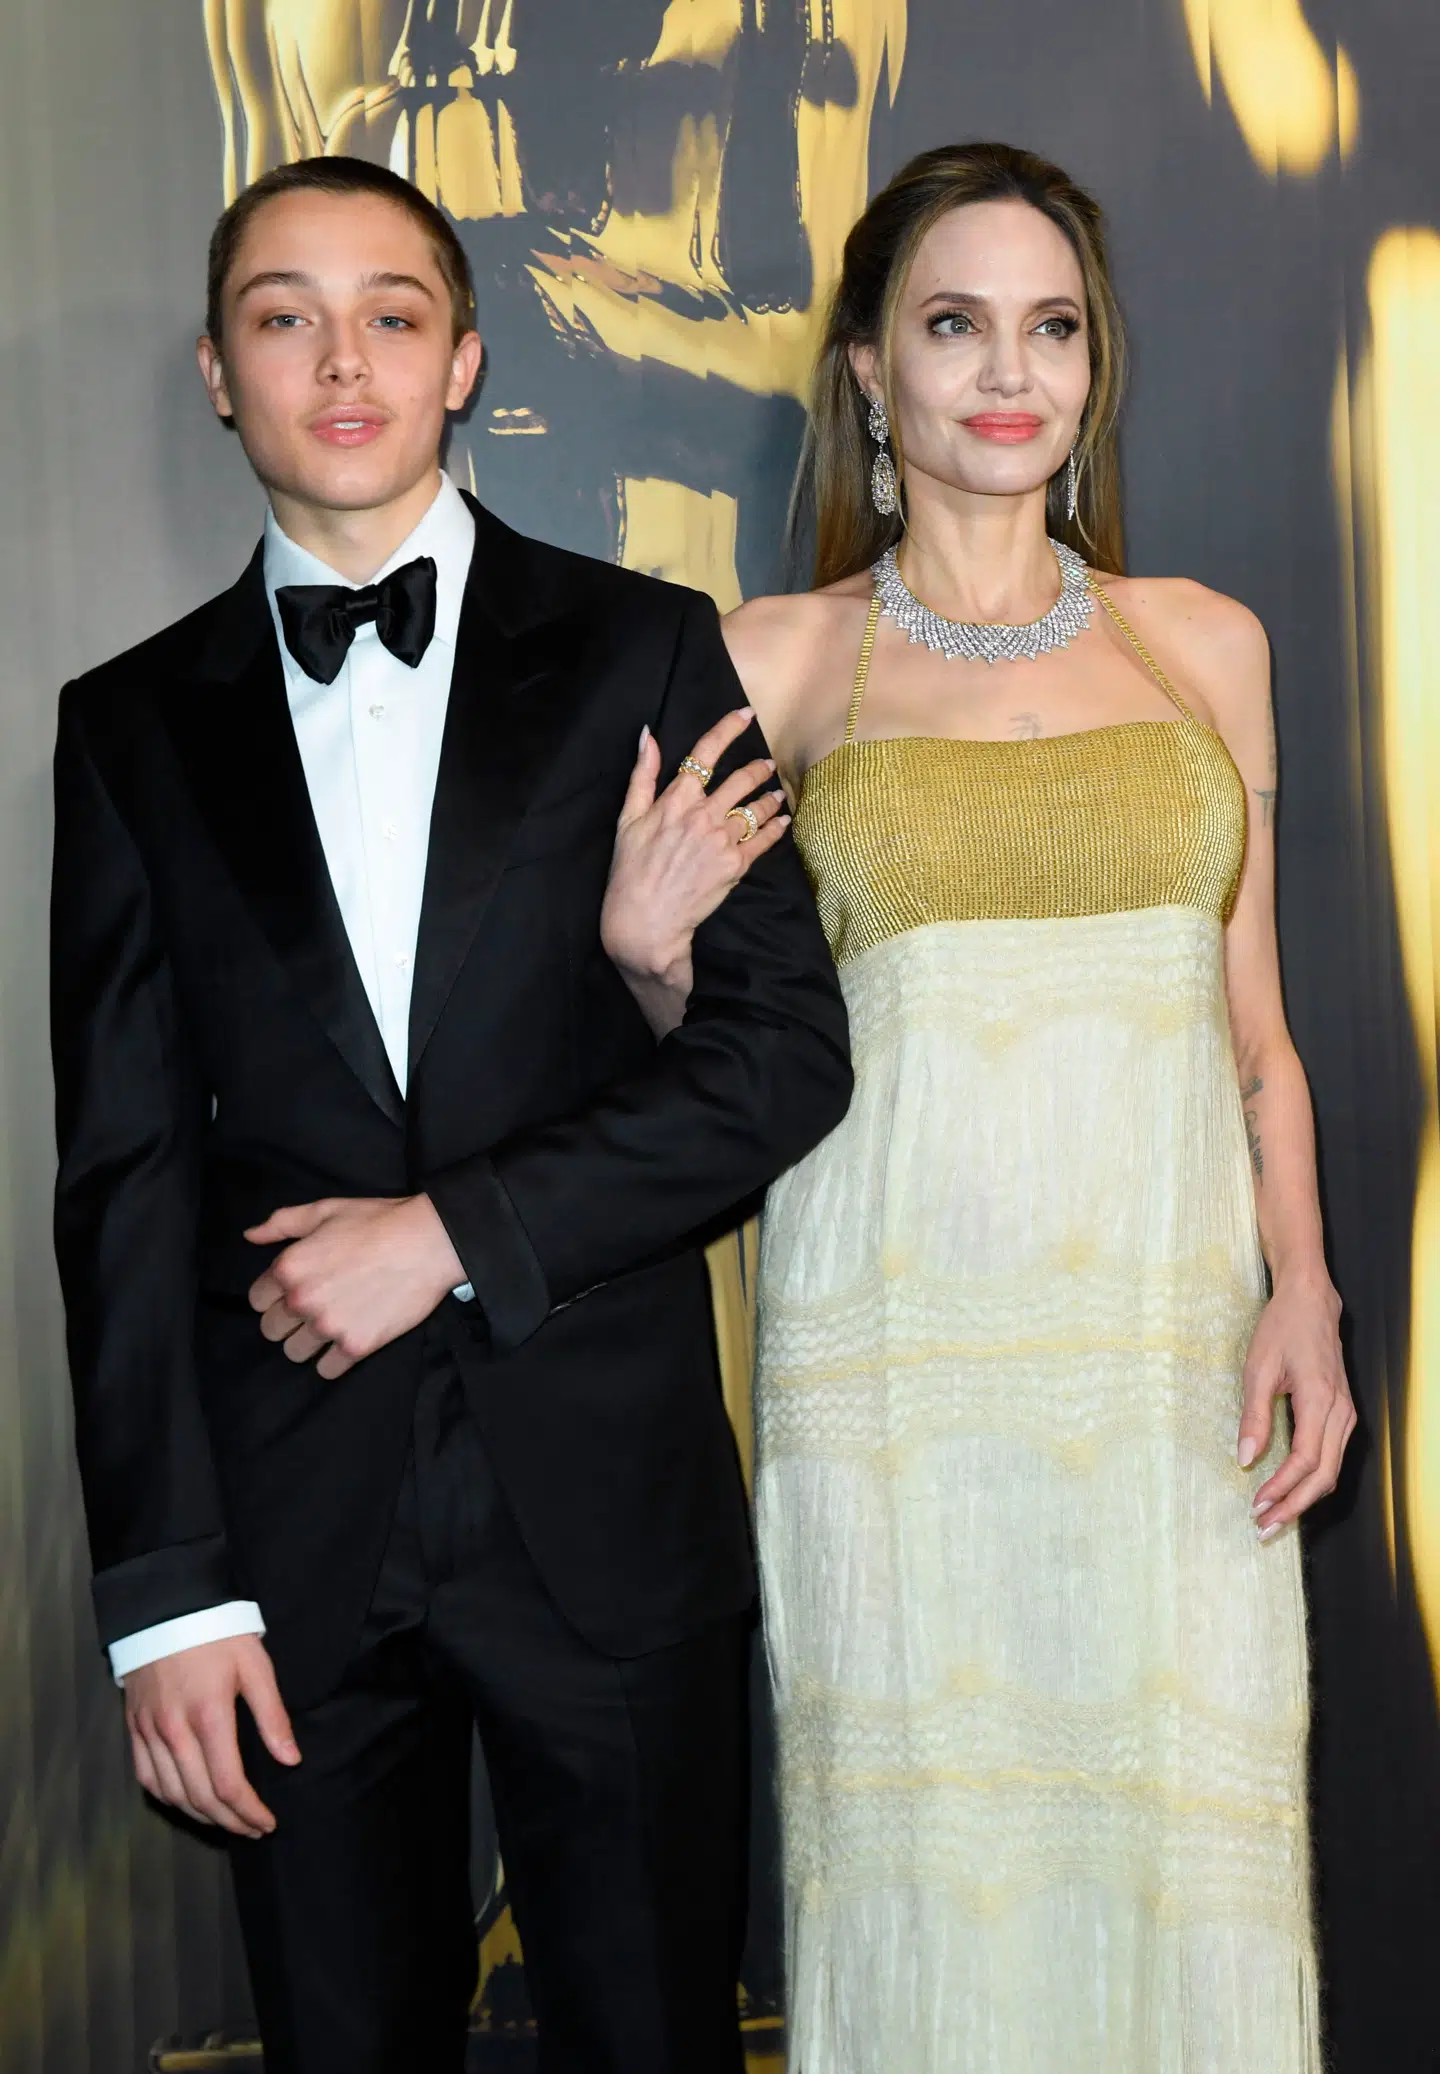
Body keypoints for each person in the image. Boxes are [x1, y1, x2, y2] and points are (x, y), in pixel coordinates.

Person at [49, 154, 851, 2074]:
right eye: (283, 315)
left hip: (606, 1499)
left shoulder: (654, 646)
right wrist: (164, 1599)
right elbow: (124, 1184)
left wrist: (444, 1234)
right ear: (216, 373)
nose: (343, 359)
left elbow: (778, 1057)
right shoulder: (129, 725)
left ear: (466, 357)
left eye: (391, 314)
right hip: (286, 1534)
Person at [600, 142, 1355, 2073]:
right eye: (954, 325)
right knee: (928, 1878)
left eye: (1051, 327)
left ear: (1095, 364)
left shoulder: (1210, 643)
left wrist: (1311, 1299)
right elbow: (726, 1063)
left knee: (1195, 1869)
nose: (1006, 374)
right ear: (869, 369)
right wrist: (643, 952)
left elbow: (1255, 1036)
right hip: (899, 1378)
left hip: (1172, 1368)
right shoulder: (775, 664)